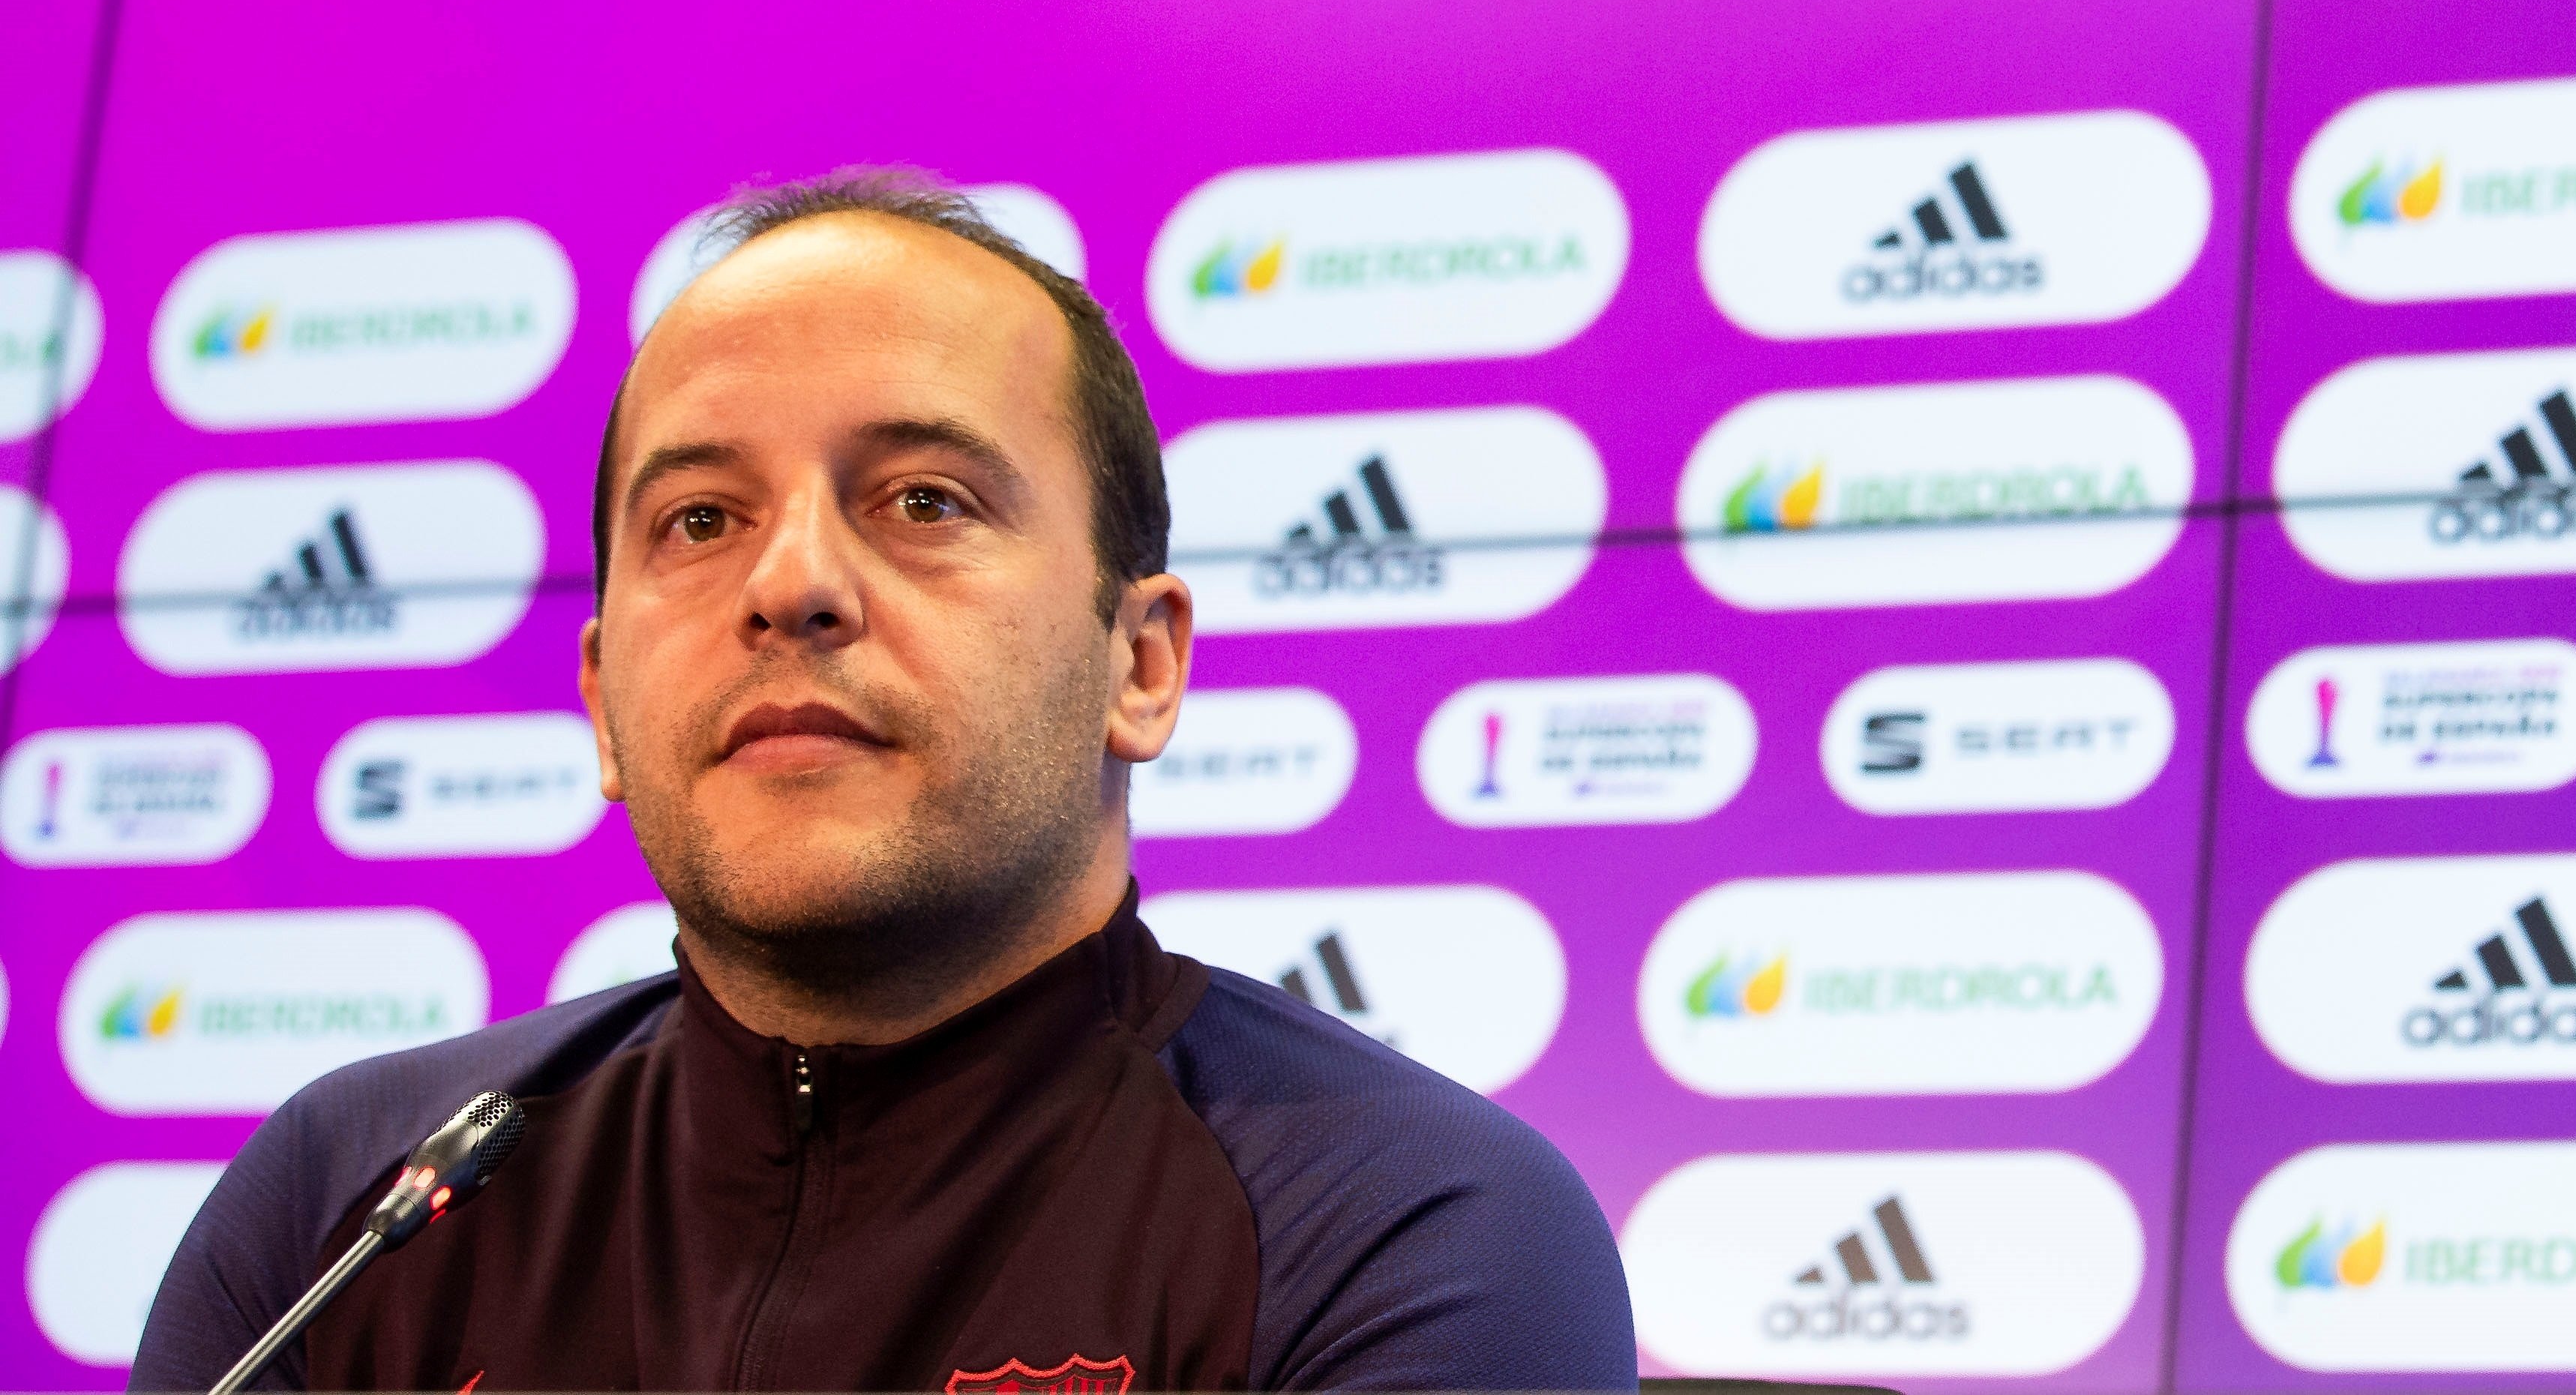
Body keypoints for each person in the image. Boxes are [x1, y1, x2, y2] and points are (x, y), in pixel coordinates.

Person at [133, 173, 1637, 1394]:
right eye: (701, 516)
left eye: (924, 499)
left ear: (1141, 664)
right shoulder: (351, 1203)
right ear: (601, 702)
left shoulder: (1401, 1225)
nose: (790, 585)